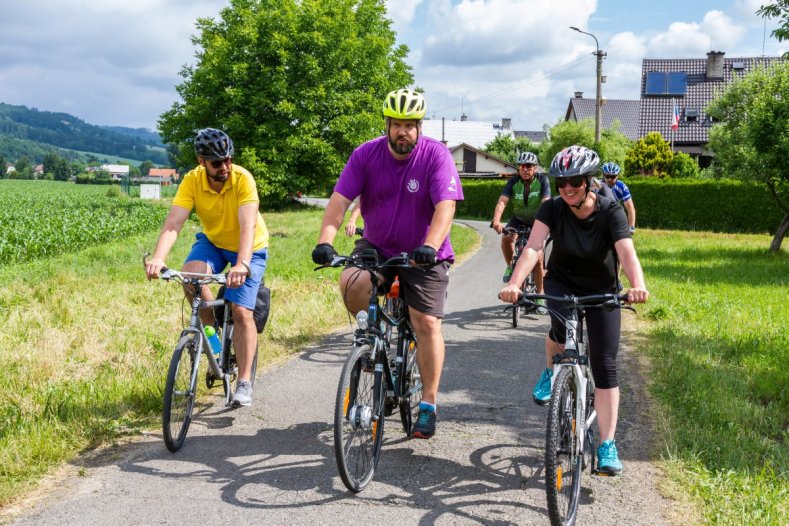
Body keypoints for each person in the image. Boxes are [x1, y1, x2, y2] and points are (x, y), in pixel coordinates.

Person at [311, 88, 463, 440]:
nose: (403, 132)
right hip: (378, 246)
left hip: (425, 252)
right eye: (397, 124)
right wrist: (325, 241)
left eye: (410, 125)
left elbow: (446, 207)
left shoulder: (435, 156)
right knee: (351, 281)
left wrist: (430, 244)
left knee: (425, 322)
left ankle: (427, 403)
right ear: (387, 124)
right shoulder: (366, 155)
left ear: (419, 126)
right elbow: (339, 201)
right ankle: (371, 337)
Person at [499, 145, 649, 475]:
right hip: (562, 282)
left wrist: (636, 285)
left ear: (588, 180)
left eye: (575, 181)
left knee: (605, 365)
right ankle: (552, 371)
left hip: (602, 290)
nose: (568, 187)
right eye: (562, 181)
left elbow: (626, 252)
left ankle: (607, 444)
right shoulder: (552, 208)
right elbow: (534, 247)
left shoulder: (611, 211)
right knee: (559, 328)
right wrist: (514, 282)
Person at [145, 128, 269, 408]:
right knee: (189, 279)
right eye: (216, 162)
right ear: (201, 161)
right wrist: (158, 258)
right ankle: (214, 339)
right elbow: (174, 223)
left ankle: (245, 380)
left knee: (240, 310)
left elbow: (248, 227)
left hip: (249, 247)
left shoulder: (242, 179)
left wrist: (242, 264)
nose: (224, 166)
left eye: (227, 159)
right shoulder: (192, 181)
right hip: (214, 242)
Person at [490, 151, 551, 290]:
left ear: (535, 168)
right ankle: (512, 266)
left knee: (538, 260)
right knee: (506, 238)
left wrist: (544, 223)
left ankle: (540, 294)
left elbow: (546, 202)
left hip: (537, 221)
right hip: (518, 219)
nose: (524, 169)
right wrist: (496, 220)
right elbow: (502, 202)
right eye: (521, 166)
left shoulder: (542, 180)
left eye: (529, 166)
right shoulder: (513, 181)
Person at [601, 162, 636, 234]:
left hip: (613, 215)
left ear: (617, 176)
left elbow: (630, 208)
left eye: (613, 176)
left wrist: (631, 226)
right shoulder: (597, 185)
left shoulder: (622, 187)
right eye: (607, 176)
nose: (610, 179)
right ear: (603, 175)